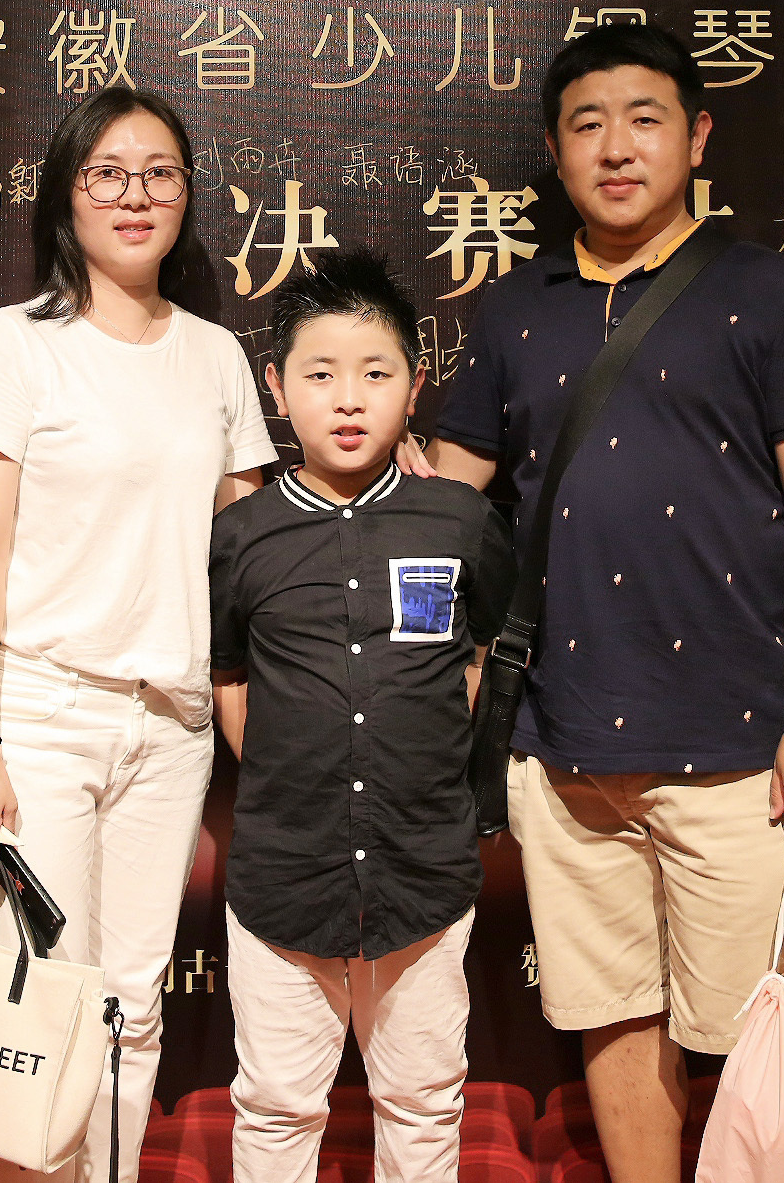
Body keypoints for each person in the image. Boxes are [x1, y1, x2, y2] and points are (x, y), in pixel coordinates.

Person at [422, 23, 784, 1183]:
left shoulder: (768, 292)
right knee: (611, 1014)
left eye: (644, 118)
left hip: (738, 748)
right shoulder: (515, 308)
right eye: (587, 124)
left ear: (696, 135)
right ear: (555, 151)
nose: (616, 147)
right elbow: (449, 505)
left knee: (768, 1026)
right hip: (558, 744)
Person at [0, 87, 278, 1183]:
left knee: (132, 1010)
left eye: (160, 172)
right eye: (108, 173)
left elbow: (246, 554)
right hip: (42, 715)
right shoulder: (14, 344)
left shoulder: (216, 357)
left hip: (171, 727)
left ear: (188, 194)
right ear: (66, 196)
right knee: (37, 1011)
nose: (136, 195)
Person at [209, 249, 516, 1183]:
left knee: (424, 1103)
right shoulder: (240, 535)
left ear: (414, 388)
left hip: (423, 867)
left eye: (376, 375)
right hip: (284, 874)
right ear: (276, 387)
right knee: (276, 1107)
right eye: (320, 375)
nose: (349, 400)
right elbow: (230, 680)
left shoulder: (457, 521)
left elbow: (479, 657)